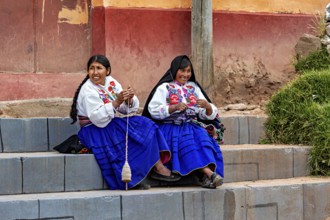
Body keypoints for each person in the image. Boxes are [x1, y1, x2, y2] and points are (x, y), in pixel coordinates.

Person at [70, 55, 180, 190]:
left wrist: (129, 100)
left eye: (99, 68)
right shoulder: (88, 90)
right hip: (93, 129)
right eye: (91, 68)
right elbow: (97, 118)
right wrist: (116, 102)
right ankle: (138, 176)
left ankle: (155, 167)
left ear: (108, 71)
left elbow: (124, 110)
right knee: (120, 139)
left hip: (109, 123)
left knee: (146, 125)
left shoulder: (111, 82)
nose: (95, 72)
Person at [142, 55, 224, 189]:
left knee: (204, 139)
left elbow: (206, 113)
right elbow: (153, 110)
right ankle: (209, 174)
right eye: (182, 70)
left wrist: (208, 107)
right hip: (169, 127)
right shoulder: (165, 87)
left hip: (190, 125)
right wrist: (174, 107)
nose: (185, 74)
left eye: (188, 71)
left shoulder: (194, 88)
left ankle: (206, 176)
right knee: (188, 143)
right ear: (175, 70)